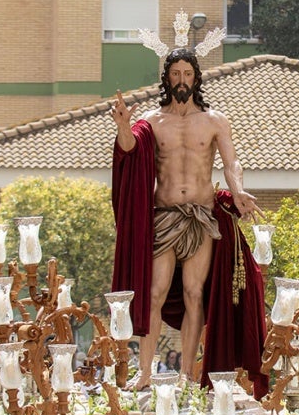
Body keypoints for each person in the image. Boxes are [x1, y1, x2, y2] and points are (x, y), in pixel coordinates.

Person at [110, 46, 267, 395]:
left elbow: (231, 163)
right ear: (167, 77)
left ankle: (185, 373)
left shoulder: (215, 121)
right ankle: (145, 371)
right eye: (176, 74)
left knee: (196, 293)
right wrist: (122, 126)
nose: (182, 80)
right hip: (163, 216)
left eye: (188, 74)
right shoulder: (151, 121)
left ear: (196, 78)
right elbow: (130, 150)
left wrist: (238, 189)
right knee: (155, 292)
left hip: (200, 216)